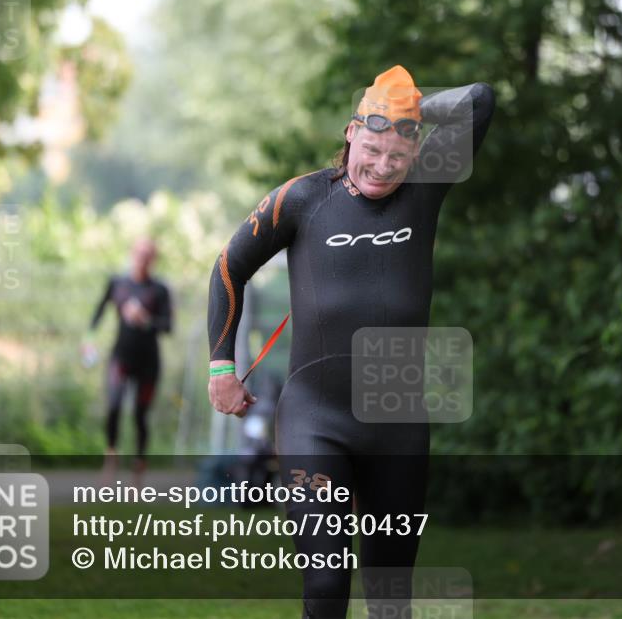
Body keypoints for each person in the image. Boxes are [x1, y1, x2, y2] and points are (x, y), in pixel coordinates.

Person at [207, 65, 494, 618]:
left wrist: (410, 107)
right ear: (350, 132)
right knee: (325, 581)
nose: (383, 167)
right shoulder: (302, 199)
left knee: (390, 596)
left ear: (416, 153)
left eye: (398, 156)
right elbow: (227, 268)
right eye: (373, 149)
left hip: (397, 425)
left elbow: (480, 100)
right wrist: (221, 366)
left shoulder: (424, 189)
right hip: (316, 419)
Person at [86, 237, 173, 483]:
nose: (142, 259)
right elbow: (99, 310)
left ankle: (138, 469)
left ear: (153, 259)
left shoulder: (159, 289)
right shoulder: (118, 283)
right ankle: (111, 459)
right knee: (113, 406)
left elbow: (167, 326)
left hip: (148, 362)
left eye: (147, 255)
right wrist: (88, 339)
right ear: (132, 254)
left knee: (140, 415)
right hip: (121, 358)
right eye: (139, 254)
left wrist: (145, 320)